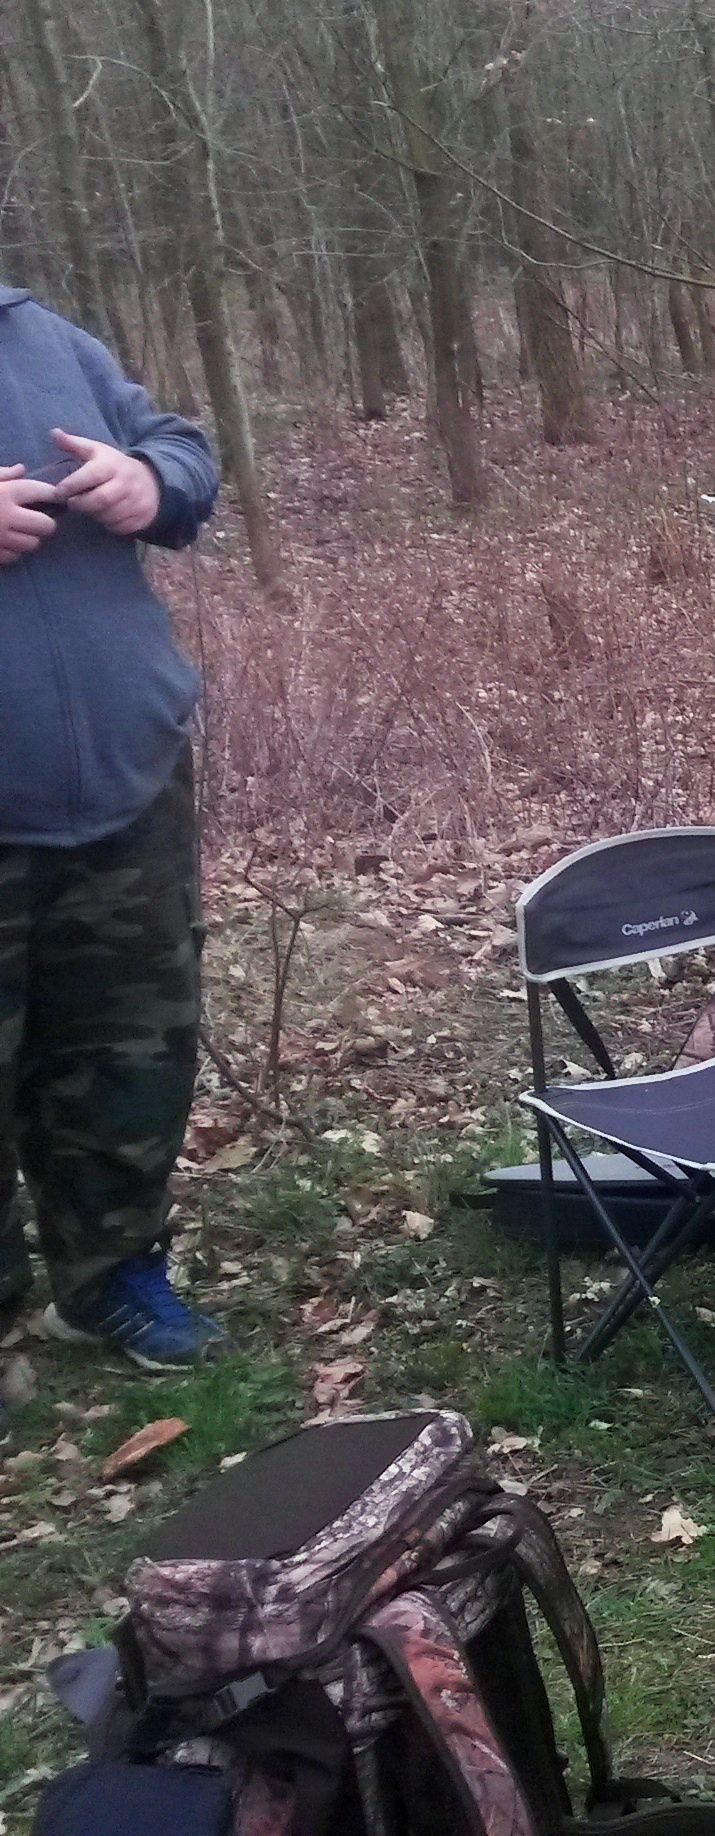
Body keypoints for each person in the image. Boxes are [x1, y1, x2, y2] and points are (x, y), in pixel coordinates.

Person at [0, 282, 226, 1387]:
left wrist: (151, 479)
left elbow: (179, 446)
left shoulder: (41, 335)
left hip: (126, 782)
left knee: (128, 1051)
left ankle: (109, 1277)